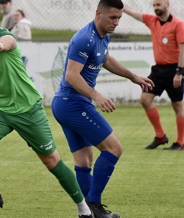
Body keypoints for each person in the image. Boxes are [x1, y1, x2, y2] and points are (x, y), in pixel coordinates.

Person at [0, 1, 93, 218]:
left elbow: (9, 41)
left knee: (52, 162)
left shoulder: (3, 36)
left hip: (28, 109)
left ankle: (84, 210)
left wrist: (0, 46)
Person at [50, 0, 154, 217]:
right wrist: (96, 95)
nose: (116, 22)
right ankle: (94, 205)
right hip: (72, 103)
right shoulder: (84, 38)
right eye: (112, 18)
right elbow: (71, 75)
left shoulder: (103, 34)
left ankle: (87, 212)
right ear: (99, 13)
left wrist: (133, 77)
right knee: (114, 148)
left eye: (119, 18)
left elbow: (105, 58)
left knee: (84, 160)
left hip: (66, 104)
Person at [123, 0, 184, 150]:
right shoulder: (152, 21)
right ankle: (160, 136)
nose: (156, 8)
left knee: (177, 105)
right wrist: (119, 4)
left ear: (167, 4)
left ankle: (181, 142)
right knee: (145, 98)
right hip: (158, 70)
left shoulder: (178, 24)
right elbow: (133, 12)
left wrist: (180, 72)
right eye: (154, 5)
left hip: (174, 70)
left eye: (159, 5)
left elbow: (183, 49)